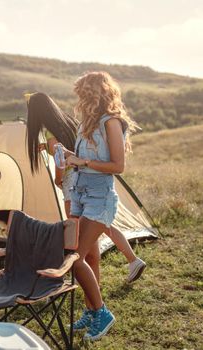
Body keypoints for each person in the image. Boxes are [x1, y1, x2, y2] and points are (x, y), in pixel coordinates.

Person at [26, 92, 146, 284]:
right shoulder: (67, 122)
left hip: (72, 183)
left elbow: (60, 161)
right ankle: (129, 262)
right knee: (99, 226)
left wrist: (58, 179)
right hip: (85, 177)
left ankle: (67, 282)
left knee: (78, 235)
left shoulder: (50, 133)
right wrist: (46, 146)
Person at [63, 71, 139, 341]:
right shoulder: (86, 123)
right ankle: (91, 310)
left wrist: (82, 162)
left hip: (100, 197)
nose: (79, 98)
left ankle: (102, 312)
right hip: (80, 193)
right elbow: (82, 161)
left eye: (82, 92)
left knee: (73, 259)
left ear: (94, 93)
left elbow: (118, 166)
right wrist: (70, 159)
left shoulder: (111, 122)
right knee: (90, 258)